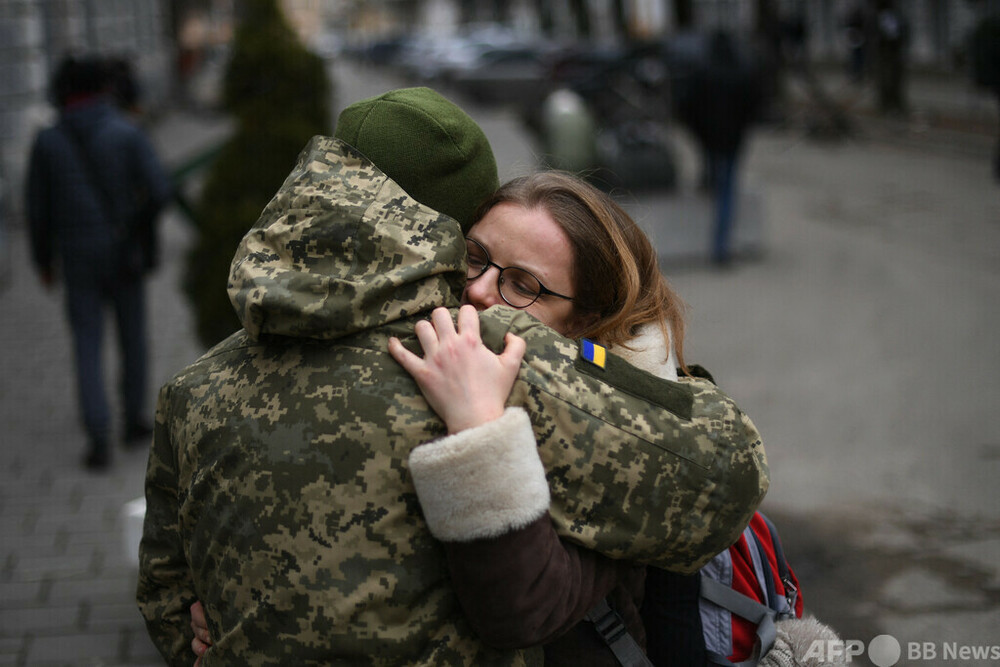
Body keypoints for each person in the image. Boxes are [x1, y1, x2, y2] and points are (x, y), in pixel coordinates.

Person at [138, 87, 768, 665]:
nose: (481, 291)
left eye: (524, 284)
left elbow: (164, 591)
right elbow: (729, 468)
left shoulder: (195, 385)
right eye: (473, 257)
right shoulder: (480, 356)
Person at [26, 54, 172, 470]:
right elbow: (161, 190)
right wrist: (136, 231)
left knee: (87, 344)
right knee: (133, 339)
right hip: (123, 253)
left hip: (76, 259)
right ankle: (134, 422)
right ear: (103, 89)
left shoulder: (47, 141)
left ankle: (98, 438)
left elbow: (38, 211)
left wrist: (43, 261)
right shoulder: (126, 131)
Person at [676, 30, 761, 266]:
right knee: (726, 191)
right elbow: (755, 106)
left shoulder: (701, 73)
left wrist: (700, 133)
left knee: (718, 186)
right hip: (732, 142)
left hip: (710, 141)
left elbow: (684, 106)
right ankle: (720, 248)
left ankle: (718, 247)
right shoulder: (741, 73)